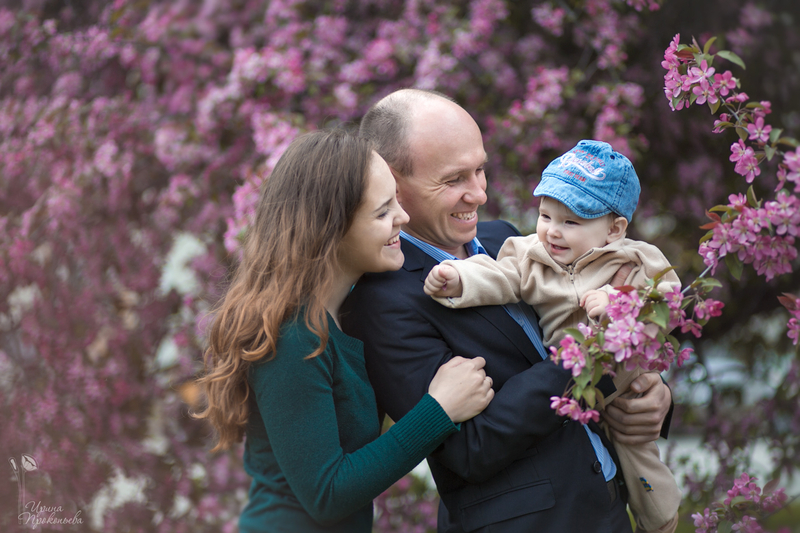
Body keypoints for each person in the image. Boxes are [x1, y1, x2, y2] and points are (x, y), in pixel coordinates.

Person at [340, 89, 674, 533]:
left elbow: (576, 313)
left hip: (608, 510)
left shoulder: (506, 239)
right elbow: (469, 450)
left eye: (480, 169)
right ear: (393, 184)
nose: (479, 193)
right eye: (454, 179)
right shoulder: (382, 302)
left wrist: (654, 396)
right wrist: (592, 354)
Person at [194, 129, 495, 533]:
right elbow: (327, 494)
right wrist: (439, 410)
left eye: (396, 202)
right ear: (331, 228)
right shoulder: (292, 337)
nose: (402, 218)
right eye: (382, 212)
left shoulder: (349, 313)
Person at [423, 139, 682, 533]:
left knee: (638, 455)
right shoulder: (530, 254)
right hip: (571, 383)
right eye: (545, 216)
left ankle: (660, 519)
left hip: (620, 378)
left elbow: (667, 301)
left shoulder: (636, 258)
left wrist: (617, 302)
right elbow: (499, 275)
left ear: (614, 229)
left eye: (571, 222)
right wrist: (459, 278)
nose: (553, 232)